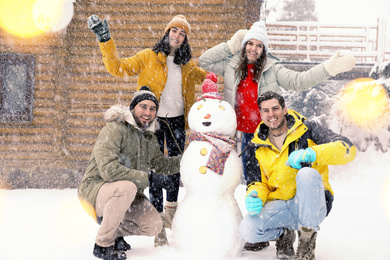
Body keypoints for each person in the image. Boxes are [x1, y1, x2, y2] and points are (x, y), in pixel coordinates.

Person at [87, 14, 208, 246]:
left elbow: (209, 78)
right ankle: (159, 221)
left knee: (175, 167)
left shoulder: (188, 65)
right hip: (151, 121)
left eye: (182, 34)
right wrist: (105, 40)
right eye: (174, 31)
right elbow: (117, 67)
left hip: (177, 122)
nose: (178, 36)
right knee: (152, 168)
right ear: (167, 33)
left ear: (185, 39)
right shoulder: (148, 56)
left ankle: (172, 214)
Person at [198, 21, 356, 185]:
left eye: (259, 45)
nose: (253, 48)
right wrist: (231, 45)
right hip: (246, 136)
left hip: (268, 135)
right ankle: (256, 209)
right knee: (252, 181)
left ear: (264, 50)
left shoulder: (272, 69)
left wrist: (328, 68)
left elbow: (299, 81)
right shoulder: (232, 66)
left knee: (273, 180)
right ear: (244, 45)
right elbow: (204, 61)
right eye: (250, 43)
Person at [239, 91, 357, 260]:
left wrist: (312, 153)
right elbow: (256, 182)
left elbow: (348, 149)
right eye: (265, 110)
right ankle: (284, 233)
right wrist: (255, 194)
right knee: (248, 230)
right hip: (282, 206)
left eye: (275, 108)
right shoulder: (256, 144)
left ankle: (306, 243)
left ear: (285, 109)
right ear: (261, 114)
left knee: (307, 174)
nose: (271, 114)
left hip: (312, 205)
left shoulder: (308, 129)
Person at [77, 86, 182, 260]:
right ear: (133, 108)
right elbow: (108, 170)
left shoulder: (149, 137)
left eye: (152, 108)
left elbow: (160, 163)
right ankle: (103, 244)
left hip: (127, 196)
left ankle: (114, 232)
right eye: (143, 106)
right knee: (127, 187)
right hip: (95, 191)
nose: (148, 112)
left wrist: (186, 161)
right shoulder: (115, 129)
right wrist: (149, 178)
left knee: (154, 225)